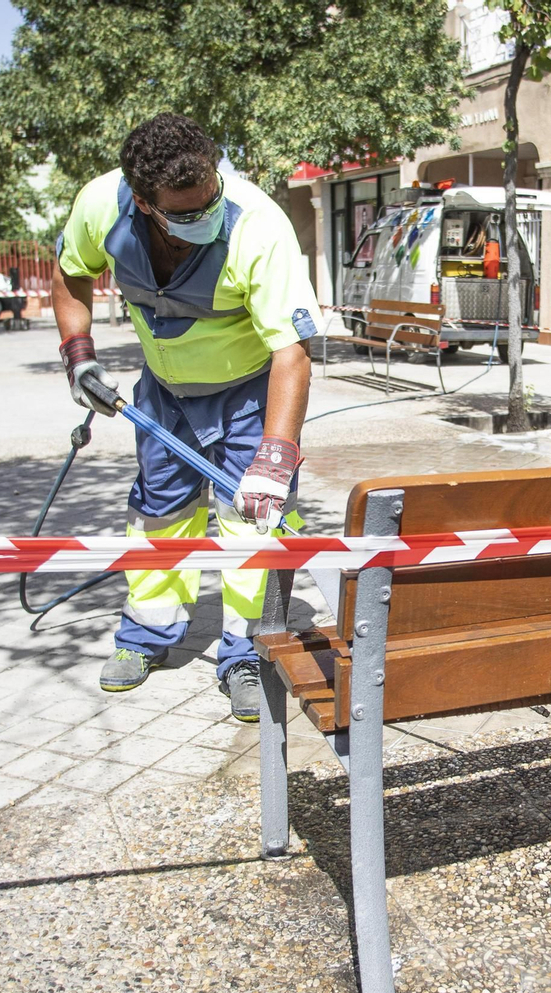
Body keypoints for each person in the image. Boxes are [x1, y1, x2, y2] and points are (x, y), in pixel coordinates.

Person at [52, 113, 319, 722]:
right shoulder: (101, 207)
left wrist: (274, 461)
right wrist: (79, 358)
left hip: (250, 392)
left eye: (210, 202)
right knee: (159, 512)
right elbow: (69, 274)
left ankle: (249, 650)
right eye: (186, 212)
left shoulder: (257, 226)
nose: (205, 216)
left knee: (253, 519)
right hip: (163, 394)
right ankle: (148, 633)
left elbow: (292, 354)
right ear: (145, 203)